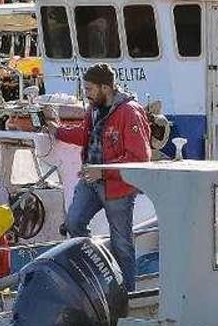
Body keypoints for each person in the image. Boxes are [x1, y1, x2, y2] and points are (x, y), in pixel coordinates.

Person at [46, 63, 150, 291]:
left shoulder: (129, 112)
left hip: (117, 188)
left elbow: (140, 157)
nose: (87, 94)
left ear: (105, 87)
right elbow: (85, 135)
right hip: (91, 181)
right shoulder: (94, 108)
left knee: (122, 243)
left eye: (90, 89)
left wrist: (102, 171)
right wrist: (58, 131)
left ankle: (127, 294)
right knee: (74, 223)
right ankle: (94, 274)